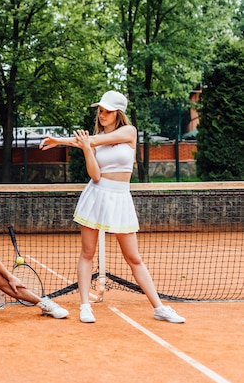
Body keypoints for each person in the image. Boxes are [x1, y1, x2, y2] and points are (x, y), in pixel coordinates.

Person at [39, 90, 185, 324]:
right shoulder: (94, 141)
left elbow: (94, 140)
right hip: (96, 195)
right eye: (100, 110)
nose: (102, 114)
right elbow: (95, 174)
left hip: (120, 198)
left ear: (118, 113)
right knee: (87, 253)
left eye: (107, 111)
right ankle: (85, 305)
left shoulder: (129, 132)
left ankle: (159, 308)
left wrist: (66, 141)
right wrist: (85, 149)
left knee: (133, 257)